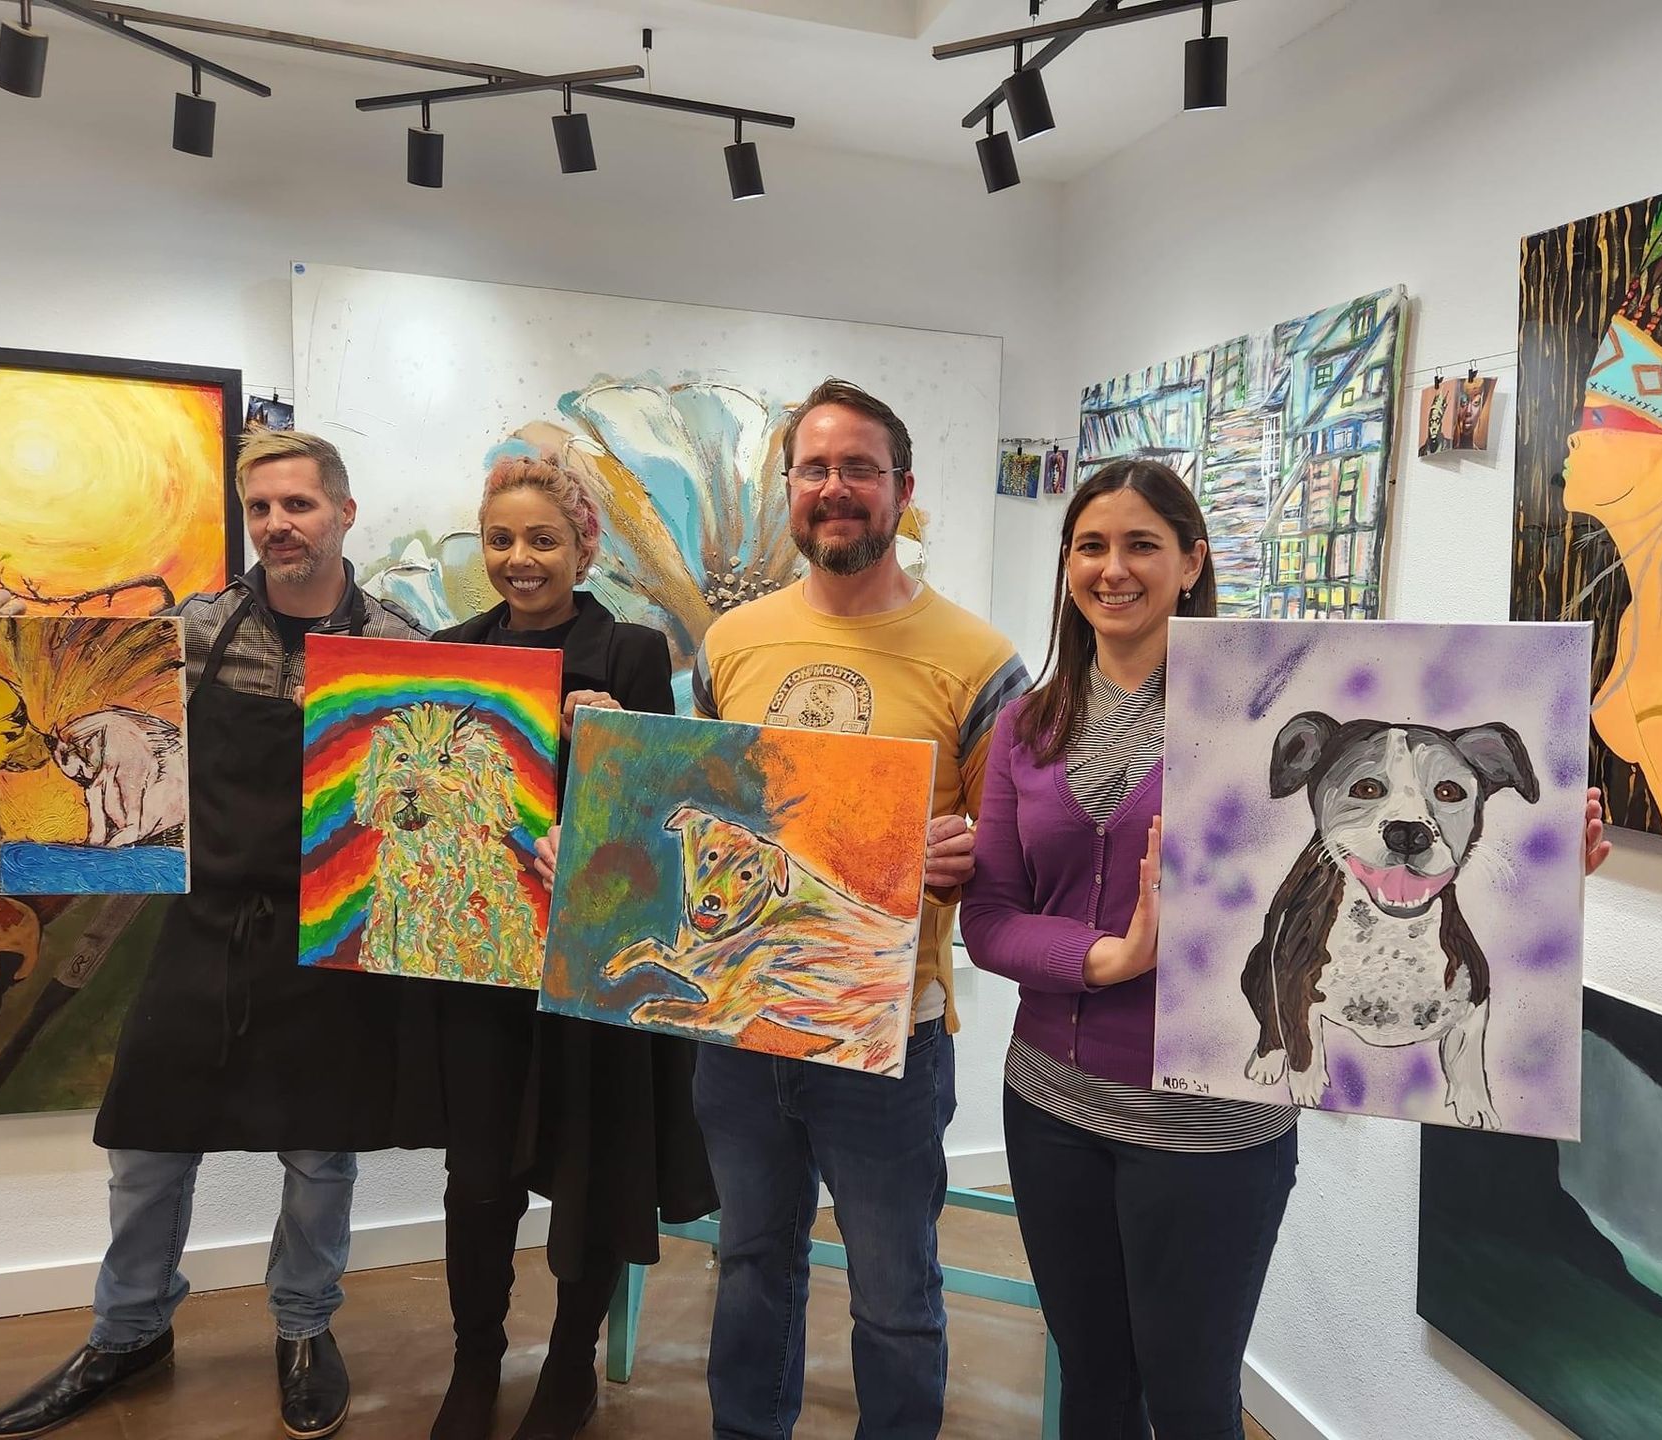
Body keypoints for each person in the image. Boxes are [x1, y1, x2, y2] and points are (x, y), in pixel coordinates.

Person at [959, 459, 1614, 1440]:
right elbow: (993, 918)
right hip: (1051, 1106)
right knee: (1093, 1385)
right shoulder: (1028, 726)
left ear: (1193, 561)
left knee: (1189, 1401)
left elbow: (1400, 851)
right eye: (1091, 546)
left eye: (1142, 544)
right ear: (1066, 567)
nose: (1113, 569)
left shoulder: (1248, 722)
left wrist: (1542, 858)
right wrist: (1111, 958)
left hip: (1213, 1130)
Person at [0, 430, 431, 1440]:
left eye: (298, 505)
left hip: (331, 931)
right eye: (261, 507)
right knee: (147, 1143)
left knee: (321, 1154)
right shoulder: (197, 627)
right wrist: (3, 629)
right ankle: (128, 1330)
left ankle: (306, 1330)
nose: (277, 523)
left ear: (344, 514)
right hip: (207, 922)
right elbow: (93, 703)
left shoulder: (400, 639)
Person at [681, 378, 1028, 1439]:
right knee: (748, 1262)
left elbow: (1010, 851)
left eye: (859, 470)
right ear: (791, 490)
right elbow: (709, 810)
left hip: (889, 1035)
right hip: (741, 1024)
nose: (835, 490)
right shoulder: (729, 642)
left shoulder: (980, 661)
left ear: (902, 490)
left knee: (894, 1291)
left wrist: (970, 856)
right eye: (815, 469)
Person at [419, 446, 715, 1440]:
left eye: (543, 539)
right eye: (501, 538)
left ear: (582, 548)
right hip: (481, 954)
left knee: (591, 1160)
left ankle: (570, 1367)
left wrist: (621, 731)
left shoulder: (632, 651)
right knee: (479, 1176)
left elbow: (660, 808)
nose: (520, 557)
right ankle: (475, 1360)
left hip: (592, 951)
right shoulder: (453, 648)